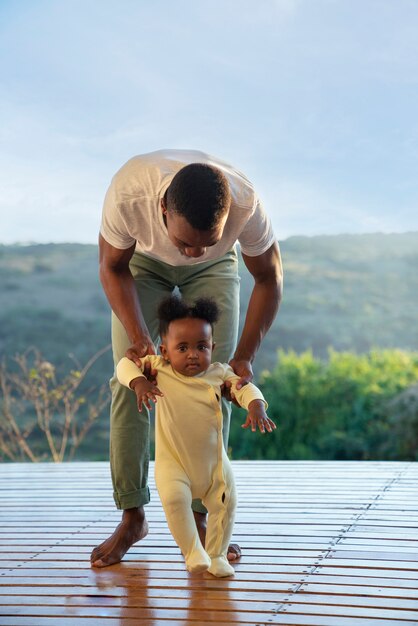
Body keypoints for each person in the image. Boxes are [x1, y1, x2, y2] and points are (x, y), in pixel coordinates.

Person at [91, 148, 282, 568]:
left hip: (217, 272)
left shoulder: (246, 205)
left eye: (204, 243)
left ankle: (203, 517)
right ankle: (132, 514)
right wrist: (141, 337)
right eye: (185, 242)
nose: (192, 252)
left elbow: (268, 277)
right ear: (162, 208)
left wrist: (245, 356)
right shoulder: (130, 194)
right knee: (130, 382)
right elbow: (111, 265)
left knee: (216, 381)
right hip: (142, 262)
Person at [116, 295, 276, 577]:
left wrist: (256, 405)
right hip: (174, 463)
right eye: (183, 347)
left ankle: (216, 555)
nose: (193, 354)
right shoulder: (158, 369)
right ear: (165, 351)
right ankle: (193, 552)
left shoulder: (218, 373)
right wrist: (139, 381)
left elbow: (243, 387)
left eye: (201, 347)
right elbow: (123, 367)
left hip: (214, 466)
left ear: (213, 348)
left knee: (226, 503)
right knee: (175, 500)